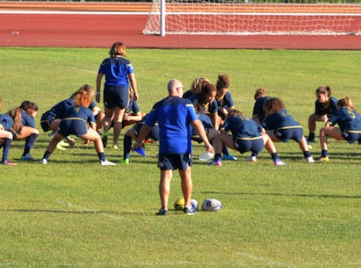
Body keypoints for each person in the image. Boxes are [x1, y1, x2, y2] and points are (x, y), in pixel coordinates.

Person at [136, 79, 213, 216]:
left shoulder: (158, 105)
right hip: (183, 147)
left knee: (165, 177)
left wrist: (138, 141)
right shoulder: (187, 104)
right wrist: (207, 142)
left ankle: (163, 208)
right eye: (182, 89)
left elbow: (147, 125)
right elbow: (196, 123)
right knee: (186, 176)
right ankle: (187, 206)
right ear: (177, 89)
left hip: (166, 146)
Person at [39, 86, 115, 166]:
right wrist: (88, 138)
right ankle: (103, 160)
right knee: (97, 138)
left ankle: (44, 159)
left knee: (55, 139)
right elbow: (93, 126)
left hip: (65, 123)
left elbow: (65, 119)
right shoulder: (88, 110)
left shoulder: (70, 108)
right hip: (78, 124)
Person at [96, 42, 139, 149]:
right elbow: (133, 80)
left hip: (109, 89)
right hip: (122, 90)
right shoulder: (127, 63)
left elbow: (99, 78)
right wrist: (135, 92)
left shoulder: (105, 62)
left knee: (107, 116)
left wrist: (98, 92)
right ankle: (115, 143)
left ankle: (105, 133)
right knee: (119, 119)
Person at [208, 109, 285, 166]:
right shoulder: (249, 119)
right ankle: (276, 159)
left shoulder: (230, 119)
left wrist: (230, 134)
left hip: (243, 143)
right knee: (266, 136)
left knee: (219, 136)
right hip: (257, 143)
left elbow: (222, 131)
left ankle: (217, 160)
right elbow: (263, 130)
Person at [317, 97, 361, 162]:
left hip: (351, 134)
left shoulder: (338, 111)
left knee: (323, 130)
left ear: (338, 106)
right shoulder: (354, 111)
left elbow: (327, 126)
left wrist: (327, 121)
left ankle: (324, 156)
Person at [262, 97, 315, 163]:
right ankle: (308, 156)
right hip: (298, 128)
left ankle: (255, 155)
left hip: (285, 131)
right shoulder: (285, 112)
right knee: (301, 137)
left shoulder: (271, 115)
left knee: (264, 135)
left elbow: (263, 128)